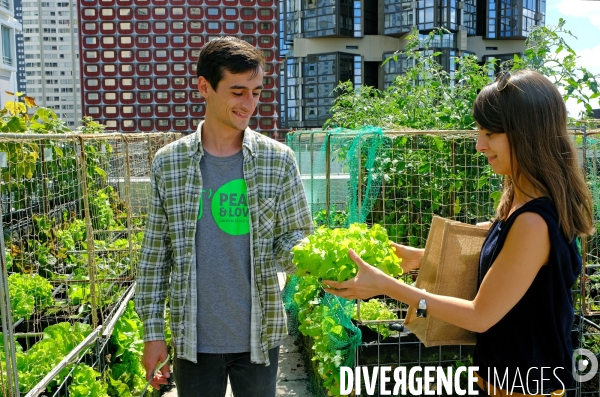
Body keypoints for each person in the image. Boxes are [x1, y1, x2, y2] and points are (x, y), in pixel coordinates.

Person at [324, 69, 594, 396]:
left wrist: (385, 286)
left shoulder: (534, 222)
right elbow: (497, 251)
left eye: (490, 134)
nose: (480, 145)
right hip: (496, 380)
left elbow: (479, 316)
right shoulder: (519, 202)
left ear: (527, 134)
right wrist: (421, 257)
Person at [134, 36, 313, 397]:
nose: (249, 104)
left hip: (259, 336)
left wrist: (318, 260)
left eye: (256, 92)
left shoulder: (278, 160)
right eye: (237, 92)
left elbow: (293, 236)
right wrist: (152, 333)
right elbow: (155, 256)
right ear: (205, 87)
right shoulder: (168, 163)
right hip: (193, 339)